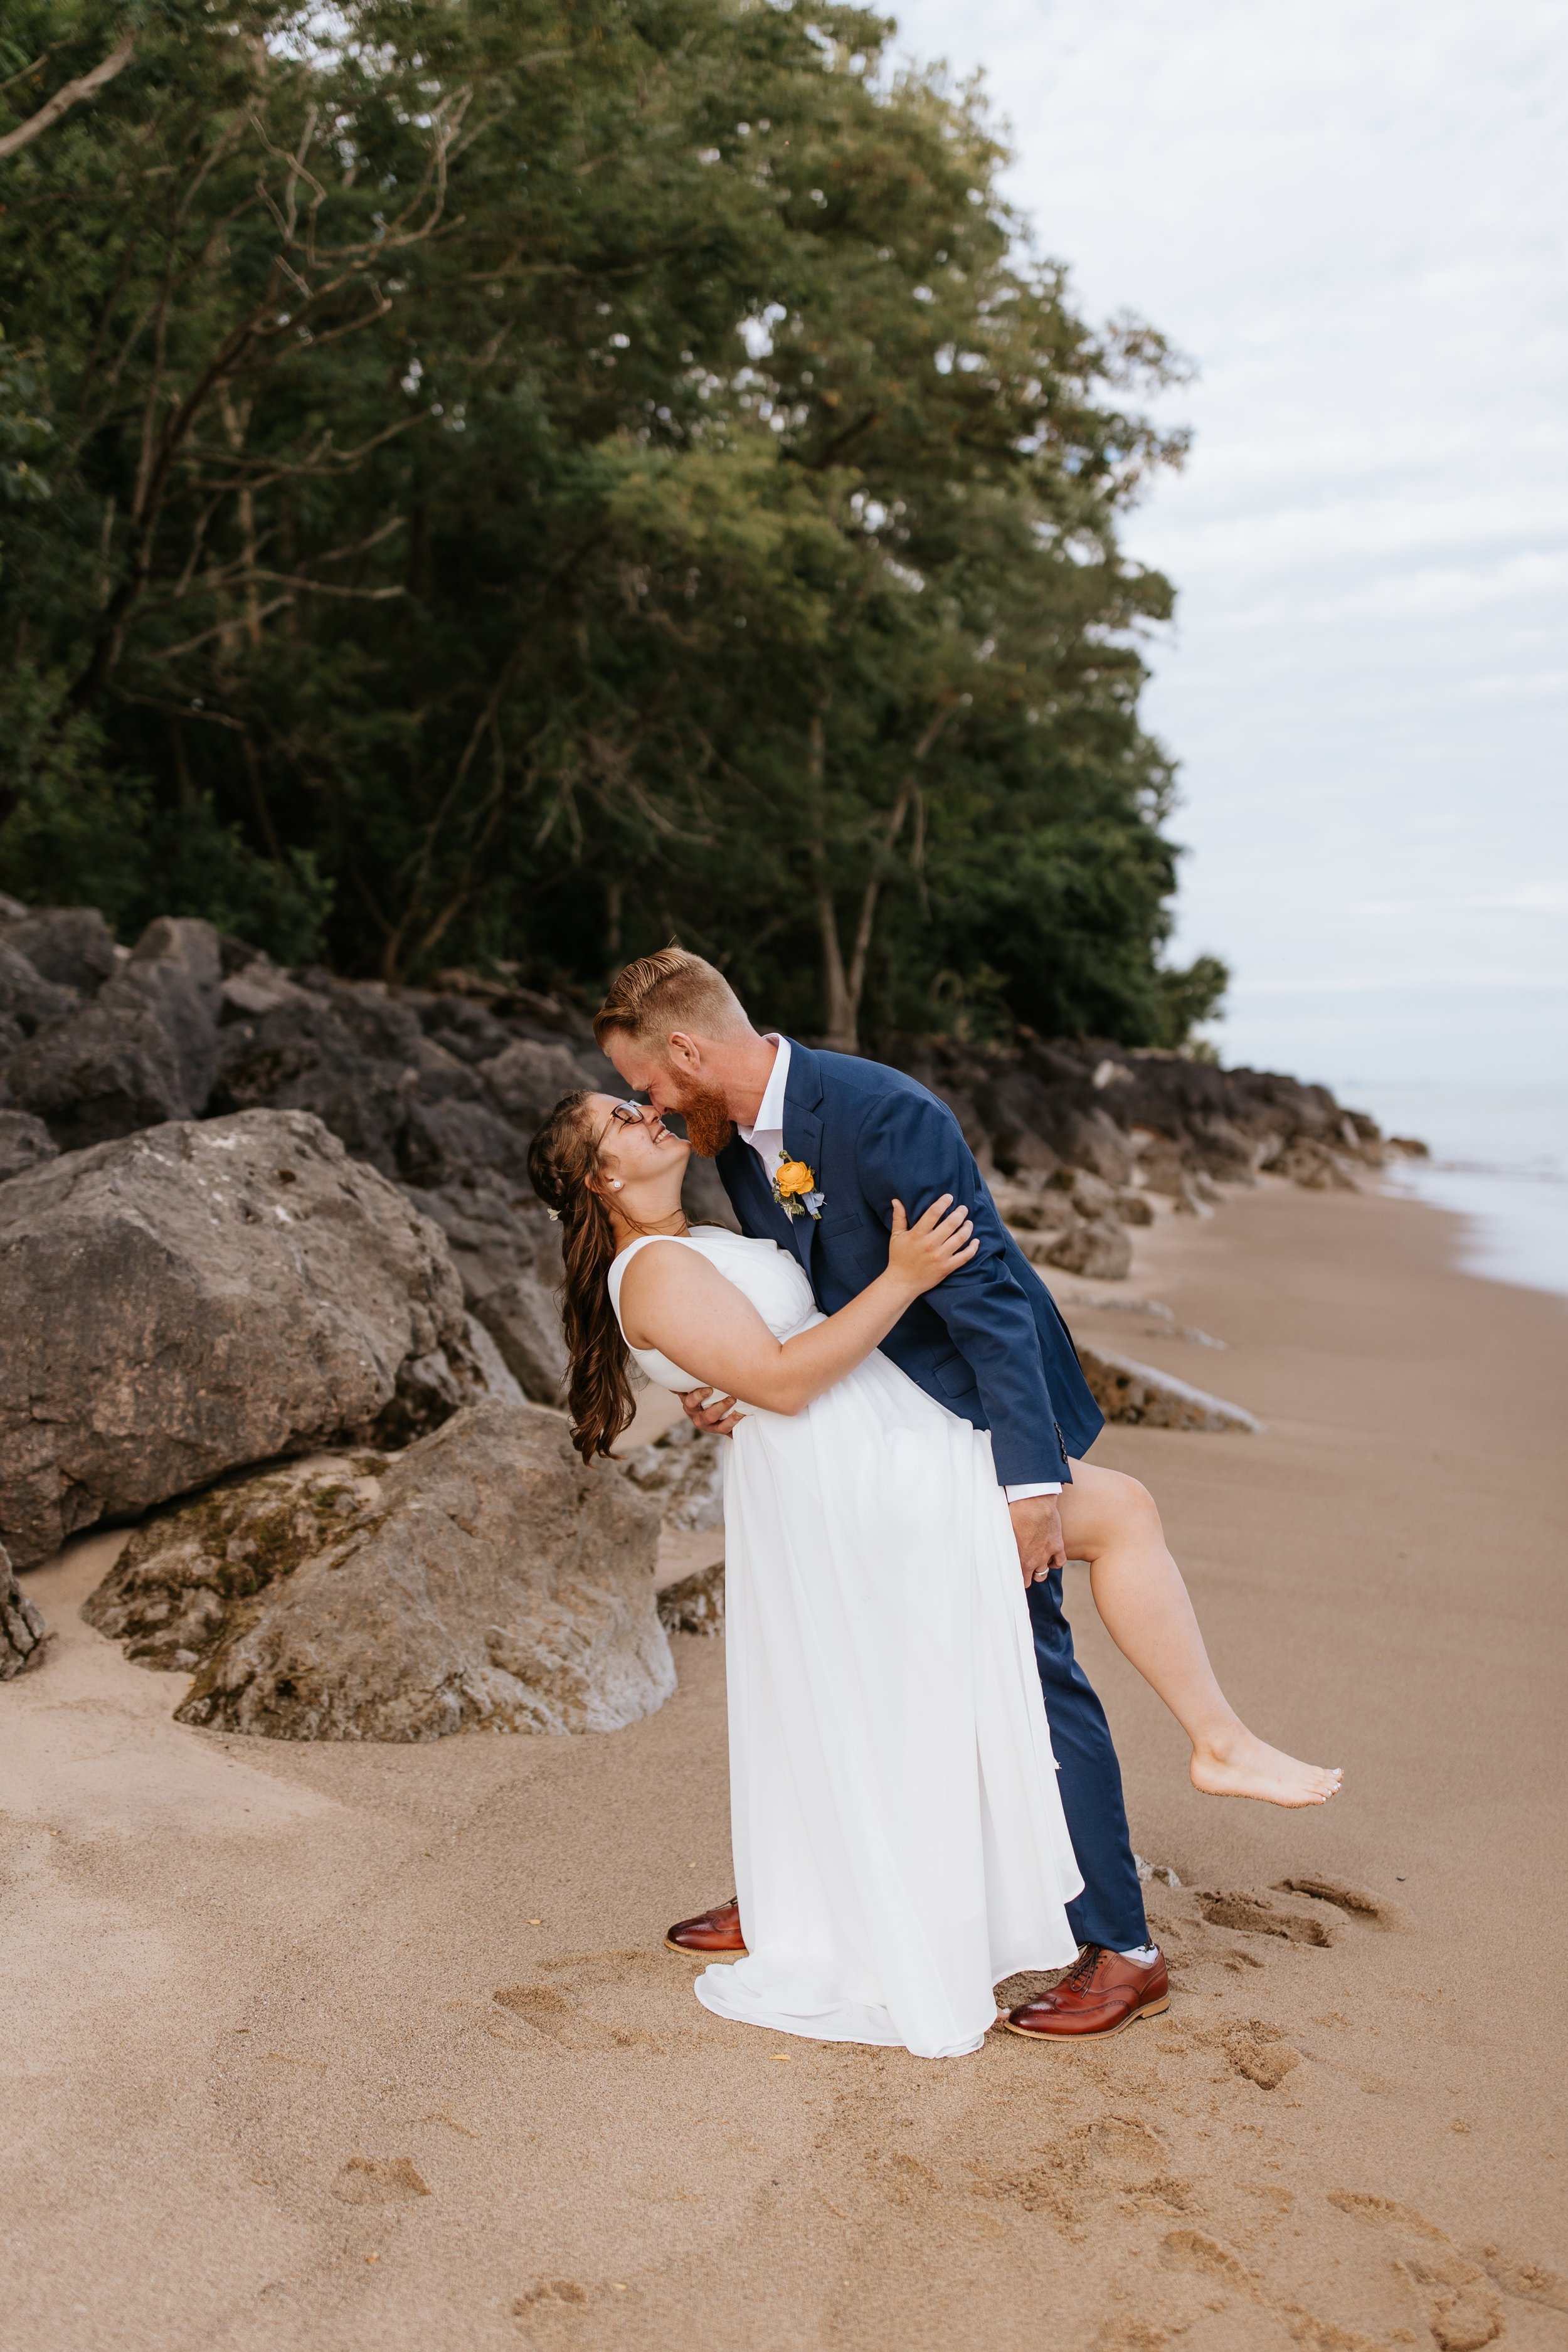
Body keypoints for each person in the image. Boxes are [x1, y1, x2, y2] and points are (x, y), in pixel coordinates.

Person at [534, 949, 1340, 2050]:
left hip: (956, 1420)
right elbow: (766, 1313)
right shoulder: (728, 1154)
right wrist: (730, 1382)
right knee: (868, 1678)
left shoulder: (879, 1113)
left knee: (1026, 1658)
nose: (657, 1108)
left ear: (685, 1052)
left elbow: (993, 1302)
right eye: (634, 1110)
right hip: (845, 1453)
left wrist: (1026, 1480)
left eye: (650, 1086)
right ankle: (838, 1899)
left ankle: (1122, 1929)